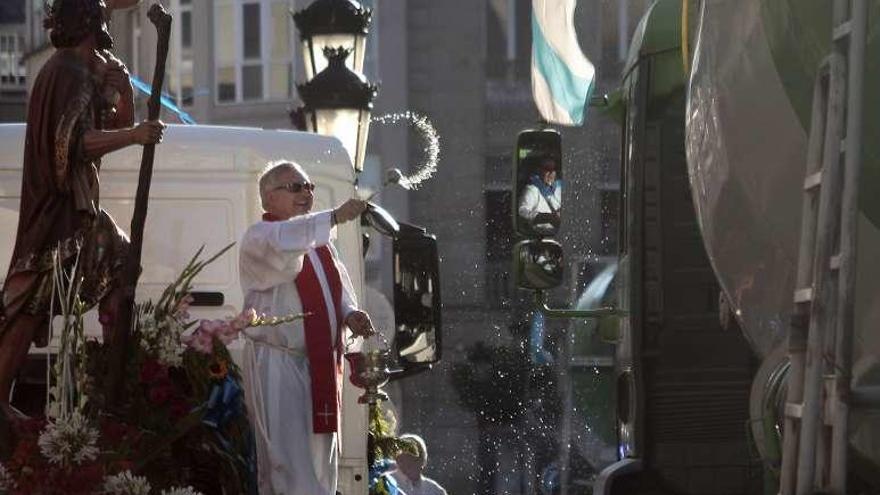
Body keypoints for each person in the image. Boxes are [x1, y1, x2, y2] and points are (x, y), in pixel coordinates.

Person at [0, 0, 164, 424]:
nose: (109, 23)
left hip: (76, 203)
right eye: (104, 16)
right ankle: (107, 376)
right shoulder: (66, 72)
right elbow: (73, 144)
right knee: (33, 300)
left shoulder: (85, 70)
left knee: (111, 269)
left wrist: (124, 92)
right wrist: (134, 135)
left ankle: (112, 375)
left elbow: (105, 127)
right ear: (91, 21)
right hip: (59, 208)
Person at [239, 161, 375, 495]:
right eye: (296, 187)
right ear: (269, 198)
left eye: (309, 186)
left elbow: (337, 292)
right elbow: (286, 247)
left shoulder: (322, 245)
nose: (306, 193)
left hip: (319, 363)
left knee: (321, 462)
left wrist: (350, 314)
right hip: (280, 363)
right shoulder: (261, 237)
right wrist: (333, 217)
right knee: (289, 462)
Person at [518, 157, 562, 236]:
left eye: (553, 169)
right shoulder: (531, 190)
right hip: (542, 237)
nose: (551, 173)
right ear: (539, 170)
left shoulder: (560, 187)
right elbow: (522, 212)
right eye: (547, 169)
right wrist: (547, 218)